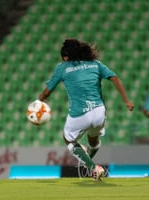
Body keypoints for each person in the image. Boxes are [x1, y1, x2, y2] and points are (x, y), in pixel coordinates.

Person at [38, 39, 134, 181]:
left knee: (68, 140)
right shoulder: (96, 64)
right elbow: (114, 78)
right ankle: (88, 160)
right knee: (93, 140)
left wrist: (39, 100)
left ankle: (92, 166)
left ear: (66, 56)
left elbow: (47, 92)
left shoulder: (63, 67)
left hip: (80, 114)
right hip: (99, 112)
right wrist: (126, 100)